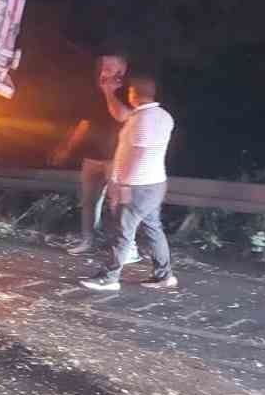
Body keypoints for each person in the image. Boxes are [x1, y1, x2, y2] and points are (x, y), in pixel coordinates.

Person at [81, 73, 177, 292]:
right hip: (155, 183)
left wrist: (122, 184)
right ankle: (164, 275)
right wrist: (109, 92)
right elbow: (121, 114)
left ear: (134, 94)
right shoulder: (161, 115)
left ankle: (110, 277)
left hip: (137, 186)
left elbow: (139, 152)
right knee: (153, 228)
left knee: (123, 231)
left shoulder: (142, 119)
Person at [52, 52, 127, 254]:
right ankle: (87, 240)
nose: (105, 70)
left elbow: (122, 117)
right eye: (103, 66)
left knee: (116, 205)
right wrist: (66, 147)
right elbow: (84, 123)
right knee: (88, 202)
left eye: (110, 67)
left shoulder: (127, 92)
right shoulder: (94, 91)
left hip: (116, 158)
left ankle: (121, 247)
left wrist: (109, 92)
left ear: (122, 70)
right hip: (91, 157)